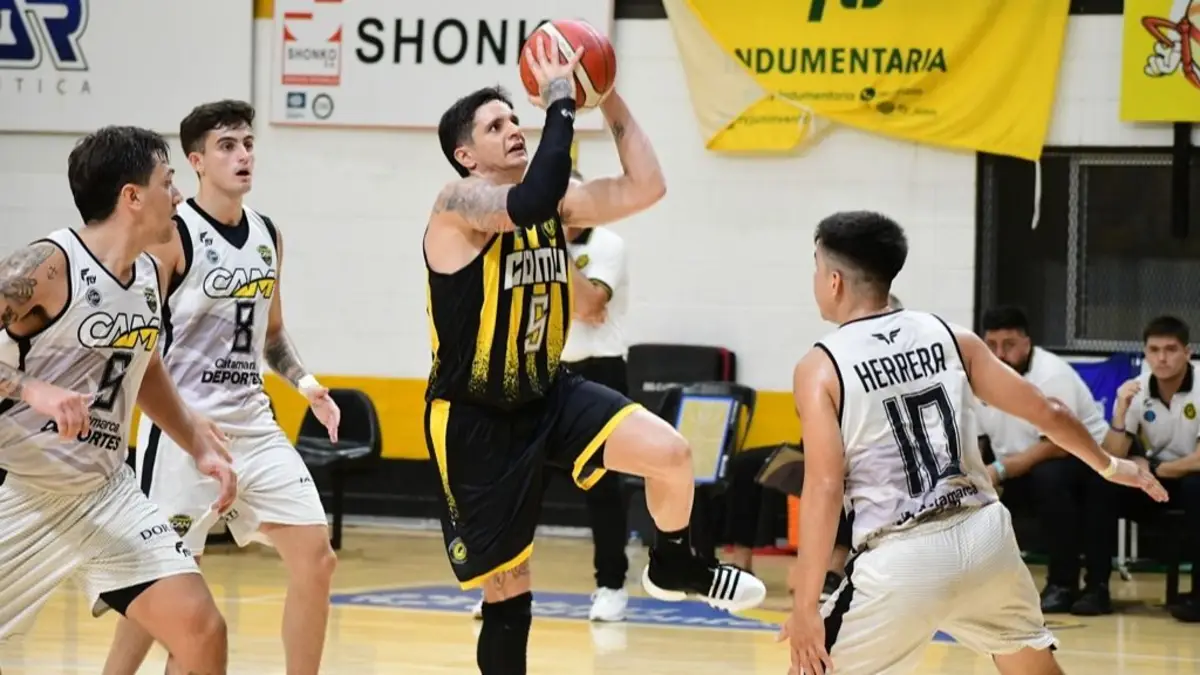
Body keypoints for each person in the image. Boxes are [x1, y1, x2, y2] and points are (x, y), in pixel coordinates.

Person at [426, 42, 765, 673]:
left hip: (549, 392)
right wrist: (560, 98)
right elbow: (526, 204)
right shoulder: (457, 203)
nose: (513, 129)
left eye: (514, 118)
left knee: (671, 454)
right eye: (494, 126)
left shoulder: (553, 203)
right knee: (509, 589)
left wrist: (605, 95)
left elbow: (648, 186)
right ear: (466, 155)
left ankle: (672, 562)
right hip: (477, 417)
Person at [780, 211, 1166, 675]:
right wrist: (1109, 465)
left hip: (901, 556)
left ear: (834, 281)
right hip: (985, 538)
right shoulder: (951, 336)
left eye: (816, 267)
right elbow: (1050, 412)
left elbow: (824, 486)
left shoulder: (819, 367)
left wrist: (805, 605)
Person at [103, 100, 341, 675]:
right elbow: (138, 342)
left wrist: (306, 383)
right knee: (164, 590)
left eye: (248, 144)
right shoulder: (171, 236)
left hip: (253, 426)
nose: (243, 155)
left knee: (317, 558)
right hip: (183, 432)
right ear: (196, 162)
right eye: (227, 146)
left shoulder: (267, 233)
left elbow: (272, 334)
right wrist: (182, 421)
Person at [0, 125, 239, 674]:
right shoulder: (47, 266)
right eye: (167, 181)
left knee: (202, 630)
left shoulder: (149, 274)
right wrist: (31, 388)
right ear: (132, 196)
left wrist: (197, 443)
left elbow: (144, 365)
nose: (178, 195)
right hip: (20, 488)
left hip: (104, 494)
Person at [468, 169, 635, 623]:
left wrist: (553, 245)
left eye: (569, 201)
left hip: (600, 370)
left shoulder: (608, 244)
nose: (562, 210)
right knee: (520, 485)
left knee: (602, 485)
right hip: (543, 370)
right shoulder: (521, 243)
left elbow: (590, 305)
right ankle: (501, 585)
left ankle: (611, 586)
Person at [975, 305, 1116, 616]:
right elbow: (980, 439)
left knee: (1050, 480)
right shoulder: (982, 378)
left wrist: (999, 470)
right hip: (1023, 465)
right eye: (992, 345)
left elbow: (1057, 445)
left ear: (1027, 343)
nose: (999, 353)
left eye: (1009, 344)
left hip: (1082, 461)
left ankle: (1067, 585)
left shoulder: (1051, 375)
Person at [1103, 315, 1200, 623]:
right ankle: (1095, 589)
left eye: (1171, 349)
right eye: (1154, 350)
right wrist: (1120, 412)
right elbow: (1111, 457)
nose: (1162, 358)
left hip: (1189, 476)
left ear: (1187, 352)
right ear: (1145, 353)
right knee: (1101, 486)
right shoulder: (1135, 389)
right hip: (1157, 480)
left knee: (1197, 487)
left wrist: (1152, 469)